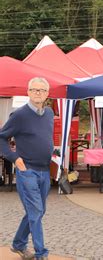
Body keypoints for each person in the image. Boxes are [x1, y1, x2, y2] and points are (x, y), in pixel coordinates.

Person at [0, 77, 54, 259]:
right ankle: (41, 254)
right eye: (34, 90)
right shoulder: (20, 115)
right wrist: (15, 158)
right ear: (28, 92)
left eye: (42, 90)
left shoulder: (49, 113)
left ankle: (18, 243)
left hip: (45, 171)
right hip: (27, 171)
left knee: (37, 211)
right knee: (36, 211)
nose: (38, 93)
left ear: (47, 94)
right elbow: (1, 138)